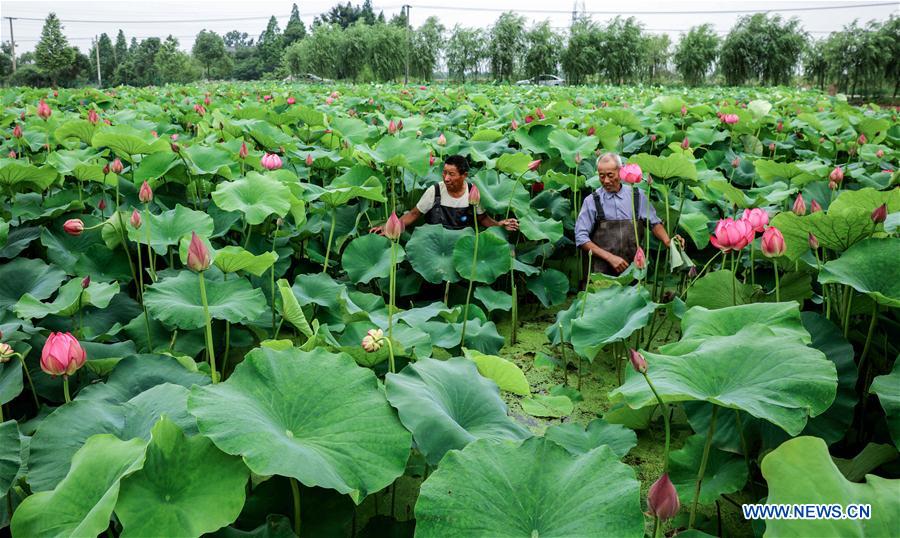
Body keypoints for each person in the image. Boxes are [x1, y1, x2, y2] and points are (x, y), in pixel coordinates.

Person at [574, 152, 683, 274]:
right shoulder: (591, 201)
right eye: (601, 176)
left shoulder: (637, 196)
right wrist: (610, 258)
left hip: (633, 269)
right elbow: (581, 238)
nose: (606, 180)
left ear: (620, 172)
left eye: (610, 175)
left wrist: (669, 242)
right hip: (600, 272)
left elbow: (654, 223)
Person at [371, 155, 519, 234]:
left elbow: (482, 218)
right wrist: (389, 228)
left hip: (461, 246)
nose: (446, 178)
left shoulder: (472, 192)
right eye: (444, 173)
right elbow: (414, 214)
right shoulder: (434, 191)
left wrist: (499, 224)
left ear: (464, 175)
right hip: (435, 245)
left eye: (452, 174)